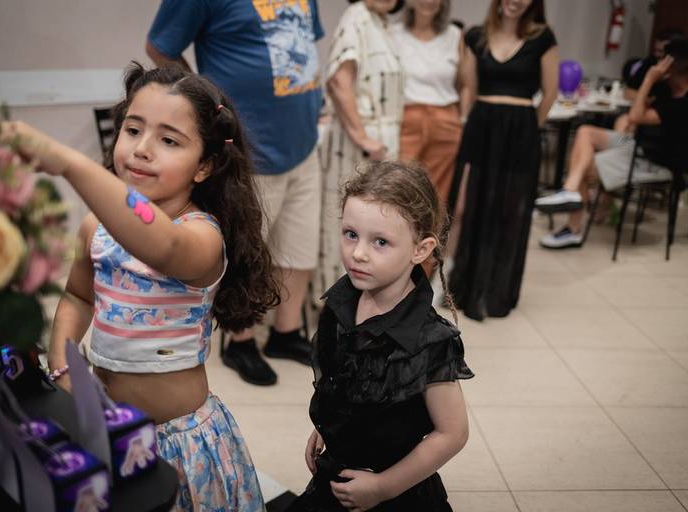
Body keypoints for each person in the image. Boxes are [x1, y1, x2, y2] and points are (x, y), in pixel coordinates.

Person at [0, 63, 279, 511]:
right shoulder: (96, 228)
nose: (141, 149)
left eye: (169, 140)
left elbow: (161, 244)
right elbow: (78, 296)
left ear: (205, 165)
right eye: (133, 130)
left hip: (177, 442)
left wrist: (70, 164)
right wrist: (61, 367)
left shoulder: (201, 237)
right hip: (110, 434)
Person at [147, 0, 324, 386]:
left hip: (303, 141)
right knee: (245, 253)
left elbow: (305, 41)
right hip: (249, 150)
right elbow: (159, 45)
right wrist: (204, 100)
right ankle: (239, 341)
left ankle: (286, 332)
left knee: (300, 246)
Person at [289, 161, 473, 511]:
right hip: (338, 471)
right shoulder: (341, 303)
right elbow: (343, 387)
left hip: (396, 492)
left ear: (420, 249)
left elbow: (452, 433)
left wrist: (384, 487)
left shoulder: (428, 340)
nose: (358, 253)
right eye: (351, 234)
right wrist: (329, 429)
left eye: (381, 242)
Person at [536, 38, 688, 248]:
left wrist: (649, 79)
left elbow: (635, 116)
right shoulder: (668, 89)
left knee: (582, 164)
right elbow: (630, 97)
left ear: (671, 66)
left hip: (657, 164)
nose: (658, 63)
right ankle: (570, 190)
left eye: (663, 59)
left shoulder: (687, 102)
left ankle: (573, 230)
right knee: (585, 132)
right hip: (639, 147)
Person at [446, 0, 558, 321]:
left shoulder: (543, 37)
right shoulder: (475, 36)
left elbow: (550, 93)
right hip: (481, 126)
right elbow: (468, 87)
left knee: (509, 211)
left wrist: (529, 127)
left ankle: (496, 289)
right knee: (465, 205)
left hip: (521, 130)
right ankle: (457, 281)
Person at [315, 0, 405, 299]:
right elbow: (339, 82)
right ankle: (339, 308)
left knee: (371, 228)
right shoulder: (356, 17)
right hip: (355, 150)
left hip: (378, 148)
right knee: (350, 227)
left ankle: (364, 305)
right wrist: (362, 137)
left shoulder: (379, 23)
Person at [392, 0, 473, 204]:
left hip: (446, 121)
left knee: (436, 195)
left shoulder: (454, 35)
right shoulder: (393, 34)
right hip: (406, 119)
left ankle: (432, 226)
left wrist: (463, 119)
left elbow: (467, 84)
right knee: (400, 188)